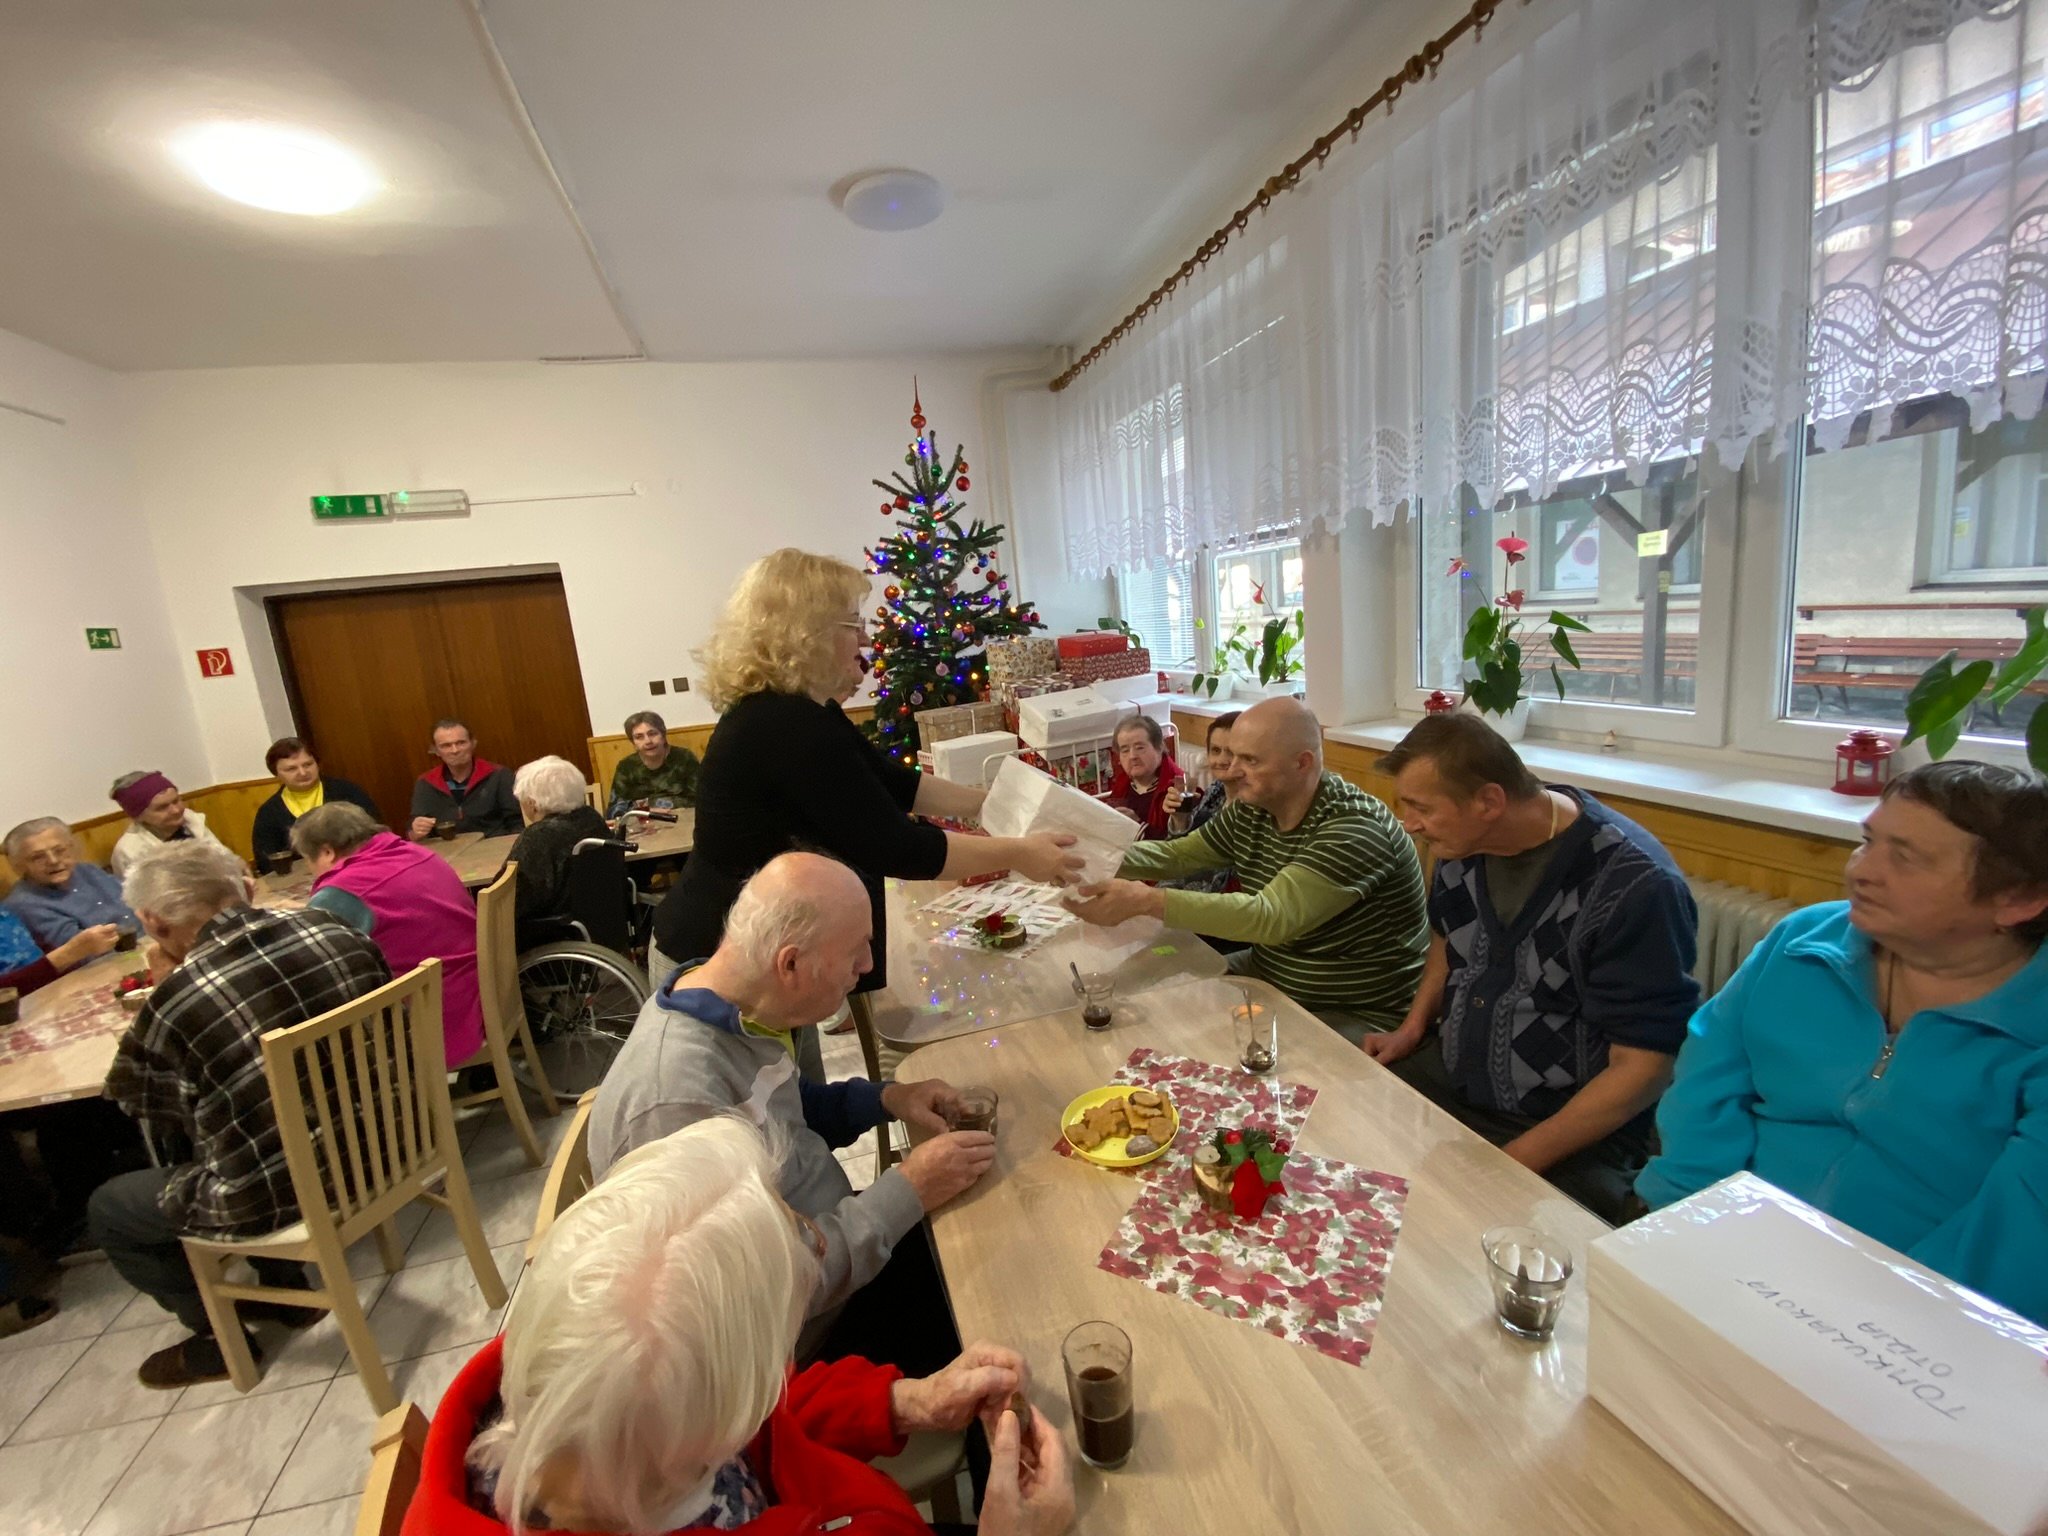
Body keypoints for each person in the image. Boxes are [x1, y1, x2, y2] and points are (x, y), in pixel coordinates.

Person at [407, 1117, 1074, 1536]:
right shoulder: (661, 1408)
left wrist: (906, 1401)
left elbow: (762, 1423)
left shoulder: (606, 1397)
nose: (817, 1240)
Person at [1639, 761, 2048, 1325]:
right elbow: (1705, 1090)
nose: (1861, 871)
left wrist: (1855, 1321)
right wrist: (1684, 1222)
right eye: (1868, 841)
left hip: (1913, 1319)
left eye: (1905, 858)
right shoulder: (1802, 942)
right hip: (1721, 1244)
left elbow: (2011, 1246)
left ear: (2019, 899)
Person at [649, 549, 1081, 1078]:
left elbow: (894, 783)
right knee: (783, 1118)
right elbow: (898, 847)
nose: (865, 639)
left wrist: (990, 801)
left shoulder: (804, 712)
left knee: (800, 1105)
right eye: (852, 624)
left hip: (761, 954)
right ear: (808, 633)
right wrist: (1021, 853)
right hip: (716, 962)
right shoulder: (785, 726)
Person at [596, 853, 992, 1378]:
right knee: (997, 1304)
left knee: (987, 1219)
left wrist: (888, 1098)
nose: (867, 966)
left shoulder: (725, 999)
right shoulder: (677, 1104)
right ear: (791, 965)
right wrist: (910, 1188)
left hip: (829, 1247)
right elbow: (765, 1292)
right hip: (805, 1343)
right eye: (856, 951)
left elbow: (785, 1109)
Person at [1362, 714, 1697, 1223]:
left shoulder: (1636, 886)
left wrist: (1514, 1161)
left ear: (1489, 801)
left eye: (1421, 808)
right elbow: (1448, 940)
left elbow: (1645, 1067)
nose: (1409, 823)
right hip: (1456, 1082)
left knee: (1476, 1235)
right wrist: (1411, 1029)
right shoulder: (1461, 844)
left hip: (1562, 1127)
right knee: (1348, 1137)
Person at [87, 842, 392, 1389]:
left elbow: (148, 1109)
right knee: (246, 1115)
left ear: (154, 923)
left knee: (111, 1206)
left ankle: (216, 1338)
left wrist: (164, 989)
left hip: (286, 1192)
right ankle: (286, 1290)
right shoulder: (335, 930)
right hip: (385, 1143)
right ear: (246, 888)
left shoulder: (178, 1000)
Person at [1067, 697, 1429, 1039]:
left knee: (1204, 1044)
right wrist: (1080, 856)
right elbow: (1177, 856)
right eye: (1233, 755)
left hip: (1354, 1011)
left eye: (1251, 760)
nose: (1233, 771)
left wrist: (1146, 901)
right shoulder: (1254, 807)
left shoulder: (1354, 828)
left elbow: (1268, 917)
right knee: (1150, 991)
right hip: (1272, 973)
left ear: (1302, 763)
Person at [291, 802, 487, 1066]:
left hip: (433, 1022)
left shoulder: (343, 890)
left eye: (308, 860)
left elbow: (310, 964)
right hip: (478, 996)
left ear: (327, 852)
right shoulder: (414, 852)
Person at [508, 755, 613, 948]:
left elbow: (512, 897)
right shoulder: (591, 818)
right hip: (600, 922)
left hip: (555, 932)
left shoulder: (539, 836)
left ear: (532, 803)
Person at [3, 817, 136, 946]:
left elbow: (134, 904)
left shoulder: (87, 870)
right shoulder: (25, 904)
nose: (53, 861)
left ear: (72, 848)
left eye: (59, 850)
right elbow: (83, 951)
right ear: (18, 866)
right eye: (38, 857)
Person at [249, 738, 380, 867]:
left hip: (358, 865)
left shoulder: (347, 792)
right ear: (276, 774)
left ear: (317, 764)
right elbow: (266, 861)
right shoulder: (269, 812)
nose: (303, 772)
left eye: (308, 764)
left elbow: (375, 832)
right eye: (291, 769)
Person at [108, 772, 238, 878]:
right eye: (162, 808)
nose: (176, 810)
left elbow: (225, 859)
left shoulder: (191, 820)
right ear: (138, 816)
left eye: (176, 801)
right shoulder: (129, 851)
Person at [409, 719, 522, 840]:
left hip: (493, 845)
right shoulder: (426, 782)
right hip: (447, 849)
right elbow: (412, 832)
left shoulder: (499, 775)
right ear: (436, 750)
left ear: (473, 744)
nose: (455, 750)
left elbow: (517, 822)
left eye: (461, 743)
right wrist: (417, 831)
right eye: (446, 746)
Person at [605, 709, 701, 815]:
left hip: (681, 817)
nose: (648, 741)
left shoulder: (684, 757)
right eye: (639, 737)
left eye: (652, 734)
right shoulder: (626, 766)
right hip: (641, 820)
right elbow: (614, 809)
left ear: (663, 735)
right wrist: (646, 811)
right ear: (633, 742)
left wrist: (654, 806)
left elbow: (701, 798)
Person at [1104, 715, 1185, 839]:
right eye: (1125, 750)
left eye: (1140, 748)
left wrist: (1138, 827)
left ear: (1159, 747)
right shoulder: (1122, 783)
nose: (1132, 756)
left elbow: (1177, 842)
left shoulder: (1177, 789)